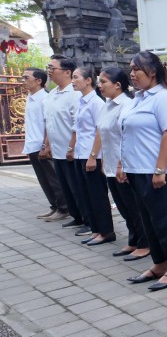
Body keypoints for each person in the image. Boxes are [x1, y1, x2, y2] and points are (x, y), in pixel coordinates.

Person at [121, 51, 167, 291]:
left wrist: (160, 169)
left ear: (152, 72)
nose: (132, 74)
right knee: (150, 222)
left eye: (136, 69)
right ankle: (160, 264)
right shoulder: (139, 98)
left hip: (164, 172)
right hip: (139, 170)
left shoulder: (165, 98)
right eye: (130, 69)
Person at [97, 67, 150, 261]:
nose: (99, 85)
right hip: (110, 164)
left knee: (134, 207)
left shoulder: (127, 105)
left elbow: (126, 138)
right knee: (123, 206)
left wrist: (122, 164)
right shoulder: (107, 105)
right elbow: (104, 135)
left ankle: (145, 243)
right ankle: (133, 240)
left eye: (103, 82)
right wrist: (103, 160)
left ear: (117, 85)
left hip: (125, 165)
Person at [71, 64, 115, 246]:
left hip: (92, 155)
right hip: (81, 153)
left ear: (88, 80)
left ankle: (106, 231)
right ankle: (96, 229)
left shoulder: (96, 103)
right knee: (86, 194)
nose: (73, 81)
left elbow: (99, 131)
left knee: (97, 195)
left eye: (76, 77)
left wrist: (92, 155)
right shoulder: (81, 101)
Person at [43, 55, 87, 234]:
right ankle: (76, 217)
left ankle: (87, 219)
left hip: (71, 151)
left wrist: (71, 147)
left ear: (67, 72)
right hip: (57, 150)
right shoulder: (52, 94)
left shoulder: (75, 94)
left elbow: (77, 124)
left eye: (53, 68)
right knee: (66, 188)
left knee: (78, 188)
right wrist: (47, 144)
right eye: (48, 67)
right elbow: (49, 122)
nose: (49, 71)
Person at [22, 67, 69, 222]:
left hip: (42, 145)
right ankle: (54, 206)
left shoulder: (45, 98)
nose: (23, 81)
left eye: (26, 78)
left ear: (38, 81)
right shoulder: (30, 97)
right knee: (43, 180)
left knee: (53, 179)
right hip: (32, 144)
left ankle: (63, 208)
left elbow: (49, 123)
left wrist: (45, 146)